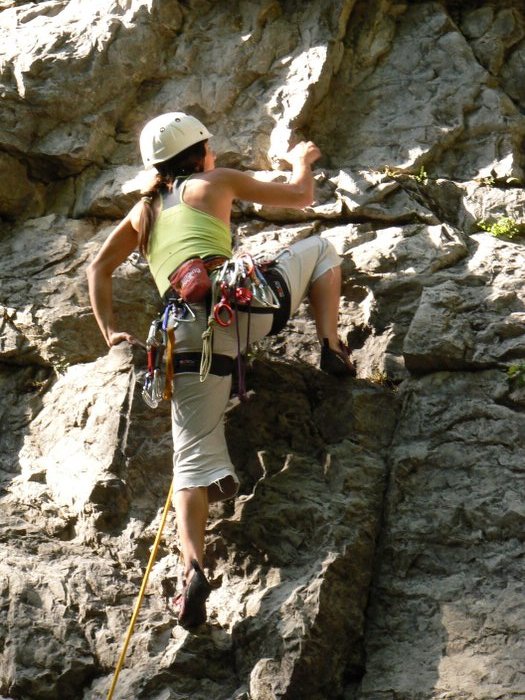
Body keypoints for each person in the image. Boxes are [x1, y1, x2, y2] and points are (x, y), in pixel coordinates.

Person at [86, 112, 356, 630]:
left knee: (189, 462)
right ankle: (329, 343)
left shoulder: (143, 212)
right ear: (201, 152)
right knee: (321, 249)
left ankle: (192, 566)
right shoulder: (215, 181)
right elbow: (301, 196)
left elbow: (97, 267)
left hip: (184, 334)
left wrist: (110, 334)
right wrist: (300, 161)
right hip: (244, 306)